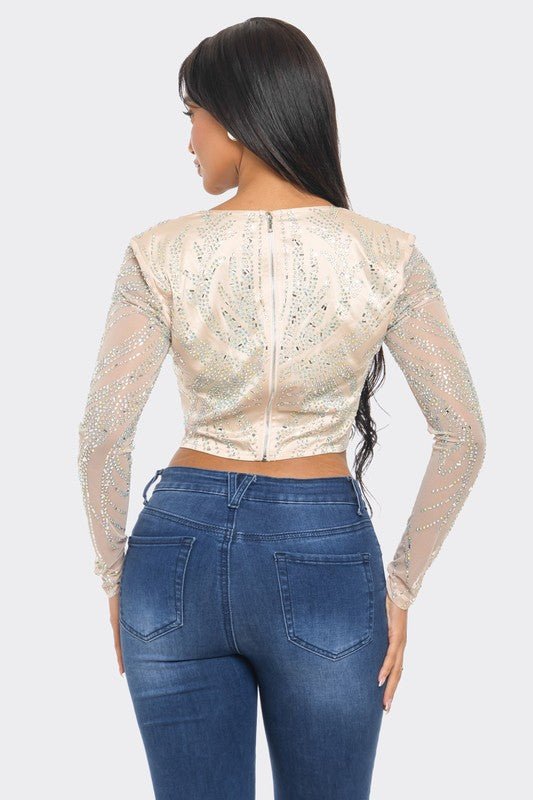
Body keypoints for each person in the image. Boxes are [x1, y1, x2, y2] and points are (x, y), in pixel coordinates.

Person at [77, 16, 486, 800]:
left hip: (174, 555)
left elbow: (103, 434)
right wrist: (401, 587)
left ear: (234, 116)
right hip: (321, 551)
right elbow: (463, 433)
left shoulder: (157, 253)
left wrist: (114, 575)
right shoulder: (386, 253)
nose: (189, 140)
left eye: (193, 115)